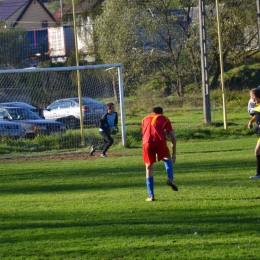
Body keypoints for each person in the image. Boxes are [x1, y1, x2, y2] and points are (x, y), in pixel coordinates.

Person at [142, 106, 178, 202]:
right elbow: (173, 138)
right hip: (160, 142)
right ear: (161, 113)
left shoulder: (145, 119)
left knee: (149, 168)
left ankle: (151, 196)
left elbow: (146, 132)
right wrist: (174, 153)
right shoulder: (164, 118)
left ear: (152, 112)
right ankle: (170, 178)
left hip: (146, 143)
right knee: (167, 158)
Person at [248, 88, 260, 179]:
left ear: (254, 96)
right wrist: (251, 121)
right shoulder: (257, 106)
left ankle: (259, 173)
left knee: (257, 151)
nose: (250, 98)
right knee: (257, 151)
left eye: (251, 96)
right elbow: (257, 116)